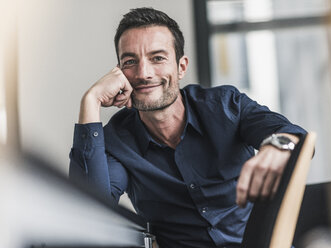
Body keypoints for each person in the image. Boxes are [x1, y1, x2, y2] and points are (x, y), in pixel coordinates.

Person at [69, 7, 306, 248]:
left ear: (181, 67)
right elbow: (89, 212)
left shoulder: (225, 106)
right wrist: (91, 100)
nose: (144, 73)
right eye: (130, 61)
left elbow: (293, 135)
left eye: (157, 58)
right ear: (119, 72)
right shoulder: (117, 141)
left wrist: (278, 146)